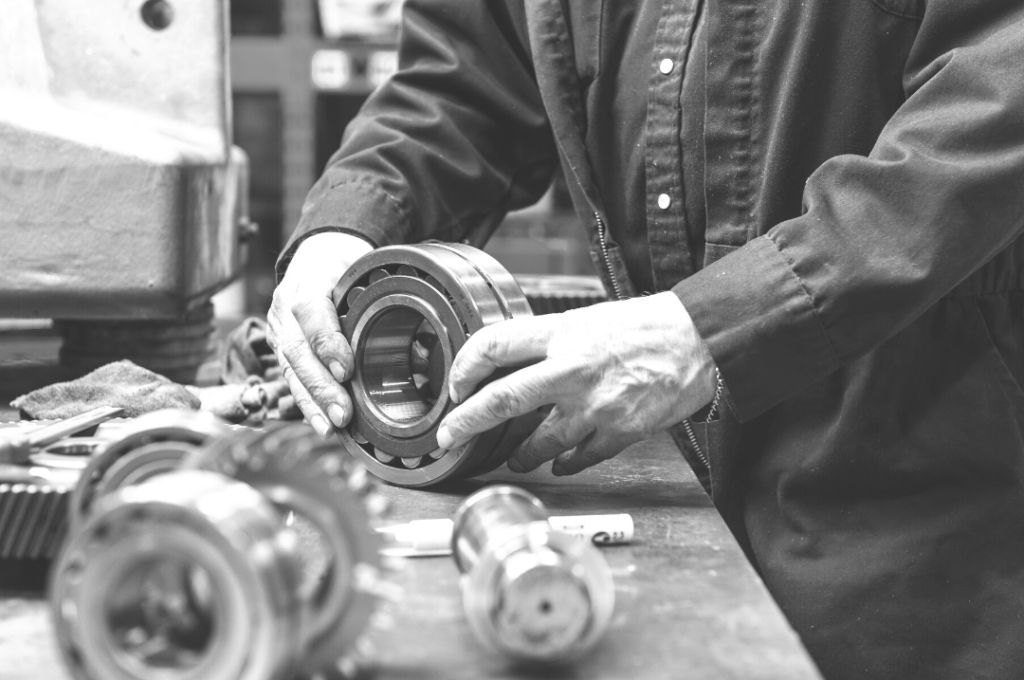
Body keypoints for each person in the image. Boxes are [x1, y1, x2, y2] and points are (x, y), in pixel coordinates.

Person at [267, 1, 1024, 678]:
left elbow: (994, 102)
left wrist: (714, 328)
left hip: (930, 508)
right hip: (682, 488)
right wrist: (347, 227)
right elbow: (465, 81)